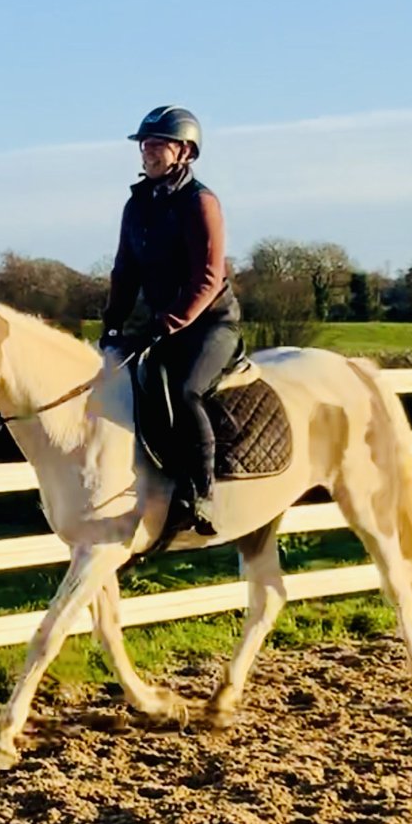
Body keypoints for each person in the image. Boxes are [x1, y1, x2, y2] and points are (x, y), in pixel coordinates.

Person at [100, 105, 242, 535]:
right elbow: (125, 272)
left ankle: (203, 495)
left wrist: (173, 320)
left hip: (209, 324)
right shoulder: (137, 205)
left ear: (184, 152)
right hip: (162, 323)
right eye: (145, 145)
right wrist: (112, 326)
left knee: (184, 391)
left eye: (157, 144)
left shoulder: (201, 202)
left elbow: (208, 275)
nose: (147, 152)